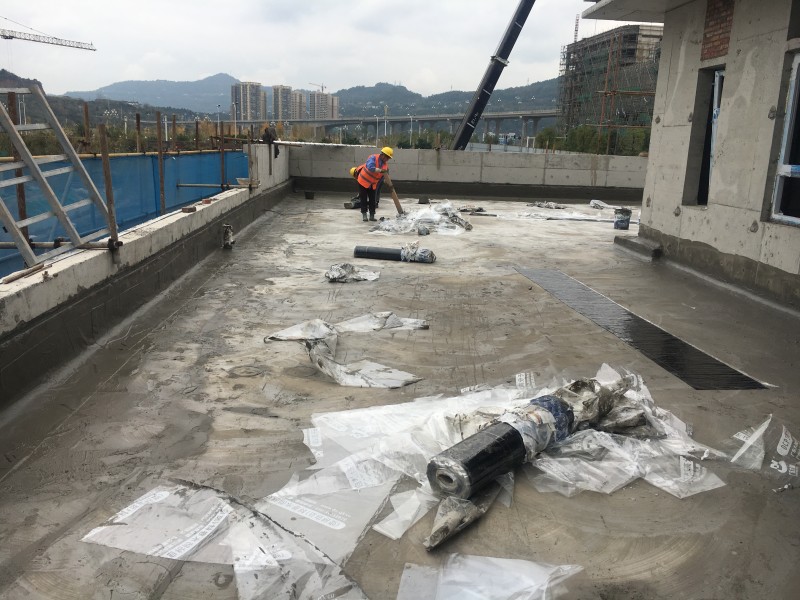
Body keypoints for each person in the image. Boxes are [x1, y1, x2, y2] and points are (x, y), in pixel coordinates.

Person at [356, 147, 393, 222]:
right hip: (363, 181)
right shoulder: (373, 158)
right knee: (363, 198)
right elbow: (370, 167)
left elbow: (386, 176)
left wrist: (387, 181)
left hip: (372, 184)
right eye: (387, 157)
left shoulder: (385, 166)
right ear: (383, 154)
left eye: (388, 158)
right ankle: (364, 214)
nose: (387, 159)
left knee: (373, 200)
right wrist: (380, 170)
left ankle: (372, 215)